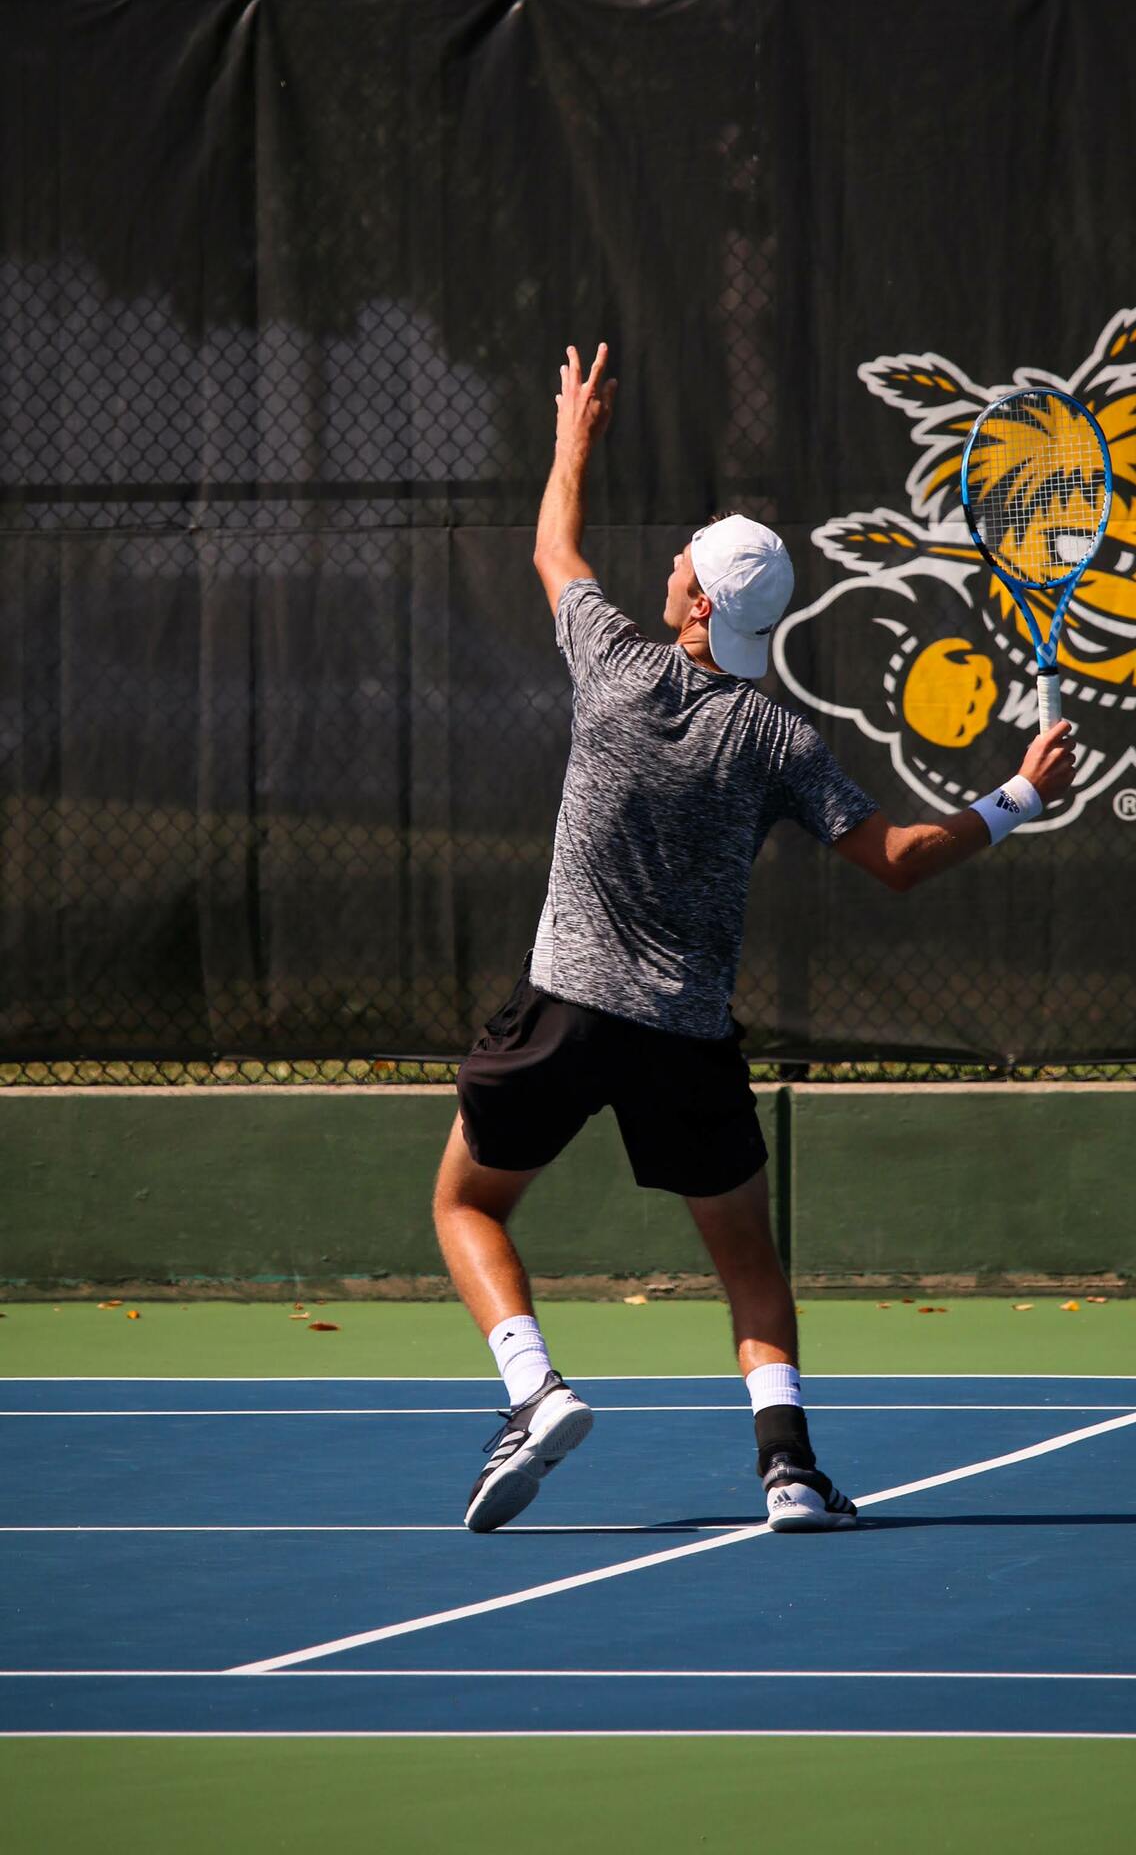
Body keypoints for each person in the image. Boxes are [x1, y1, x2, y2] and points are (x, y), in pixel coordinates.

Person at [433, 341, 1076, 1535]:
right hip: (685, 1040)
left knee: (465, 1203)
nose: (669, 563)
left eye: (681, 561)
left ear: (691, 602)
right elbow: (896, 861)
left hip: (564, 1009)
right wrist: (1016, 799)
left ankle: (534, 1389)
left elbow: (550, 548)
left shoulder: (614, 670)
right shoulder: (780, 739)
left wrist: (573, 431)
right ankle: (787, 1470)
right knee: (749, 1261)